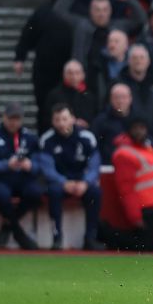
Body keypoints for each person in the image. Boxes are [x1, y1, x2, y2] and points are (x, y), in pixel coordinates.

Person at [37, 104, 104, 250]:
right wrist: (63, 182)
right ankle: (57, 237)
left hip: (81, 181)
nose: (61, 123)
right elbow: (47, 168)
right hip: (59, 182)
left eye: (64, 119)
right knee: (53, 191)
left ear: (72, 119)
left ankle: (90, 238)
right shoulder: (47, 140)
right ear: (52, 121)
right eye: (57, 120)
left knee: (95, 192)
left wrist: (85, 182)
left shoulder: (87, 137)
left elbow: (94, 164)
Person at [0, 102, 43, 250]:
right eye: (10, 118)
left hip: (23, 178)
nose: (13, 122)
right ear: (4, 117)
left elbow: (40, 162)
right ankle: (19, 233)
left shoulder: (30, 138)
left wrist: (30, 165)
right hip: (2, 178)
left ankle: (8, 225)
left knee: (36, 192)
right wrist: (6, 164)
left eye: (17, 119)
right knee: (0, 193)